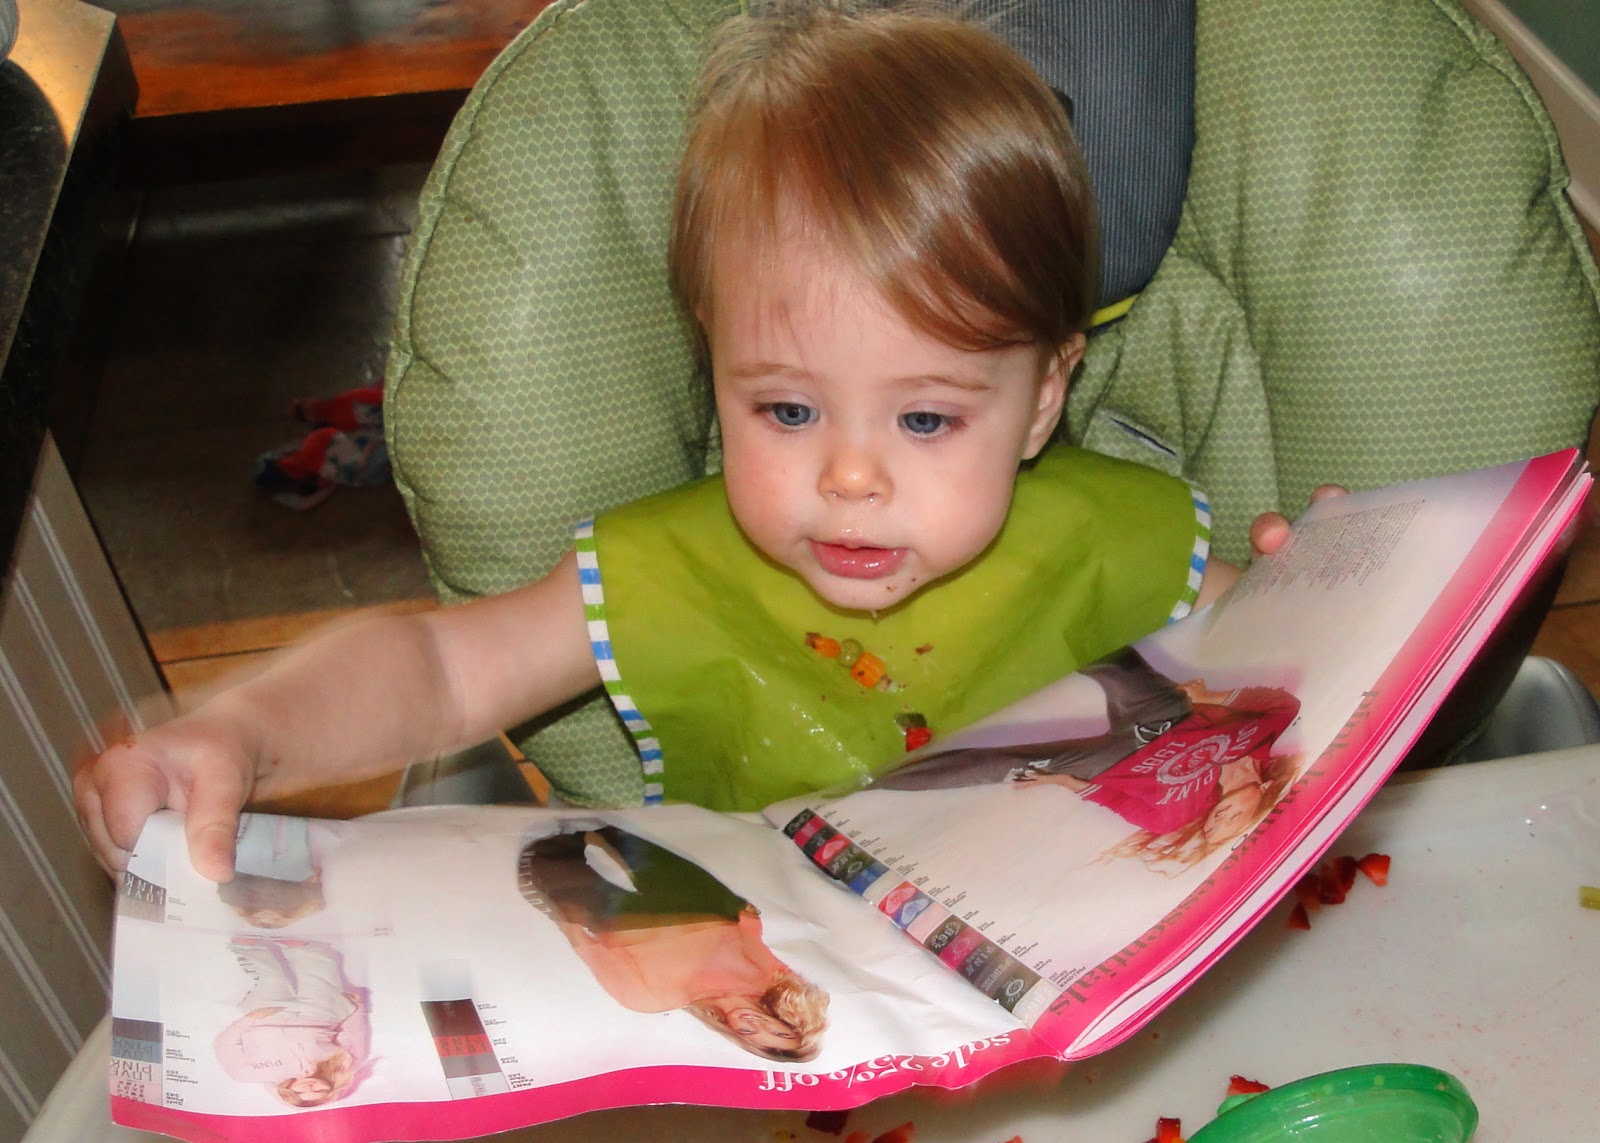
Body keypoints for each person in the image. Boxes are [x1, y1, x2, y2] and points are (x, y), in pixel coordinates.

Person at [75, 1, 1320, 884]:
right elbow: (441, 672)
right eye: (787, 410)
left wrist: (1327, 597)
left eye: (925, 418)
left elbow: (1307, 681)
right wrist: (244, 733)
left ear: (1044, 399)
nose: (849, 477)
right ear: (712, 364)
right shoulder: (671, 572)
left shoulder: (1123, 539)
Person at [517, 823, 829, 1061]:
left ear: (735, 1035)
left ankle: (561, 851)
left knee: (548, 856)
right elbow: (752, 936)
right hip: (703, 906)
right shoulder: (773, 982)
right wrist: (743, 911)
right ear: (786, 1019)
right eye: (777, 1030)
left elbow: (588, 949)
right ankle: (594, 827)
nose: (755, 1023)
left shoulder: (652, 1000)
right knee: (616, 833)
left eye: (750, 1033)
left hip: (622, 919)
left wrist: (563, 917)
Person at [213, 936, 368, 1108]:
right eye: (320, 1091)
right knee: (321, 984)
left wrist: (251, 1018)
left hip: (265, 1019)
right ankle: (307, 951)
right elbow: (356, 1033)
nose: (310, 1087)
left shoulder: (247, 1074)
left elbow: (224, 1044)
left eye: (300, 1092)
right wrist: (357, 1007)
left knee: (272, 980)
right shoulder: (343, 1065)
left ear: (285, 1092)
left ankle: (250, 950)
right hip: (319, 1017)